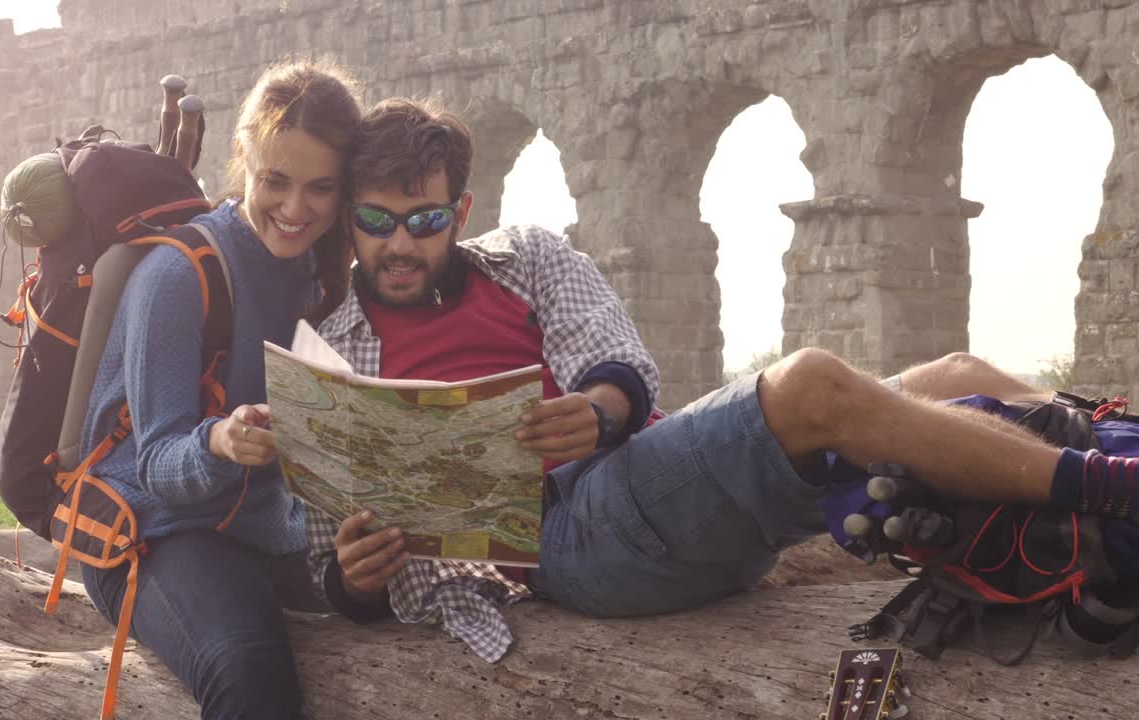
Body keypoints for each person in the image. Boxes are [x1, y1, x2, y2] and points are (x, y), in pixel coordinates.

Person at [304, 96, 1139, 662]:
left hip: (635, 470)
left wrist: (599, 410)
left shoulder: (525, 258)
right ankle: (1116, 489)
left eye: (424, 220)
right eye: (377, 221)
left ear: (461, 211)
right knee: (811, 383)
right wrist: (356, 580)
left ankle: (1113, 447)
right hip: (571, 542)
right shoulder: (335, 355)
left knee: (959, 373)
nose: (400, 244)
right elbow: (325, 558)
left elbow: (615, 355)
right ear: (352, 219)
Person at [77, 60, 361, 719]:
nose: (296, 210)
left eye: (320, 188)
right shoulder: (178, 273)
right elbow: (156, 464)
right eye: (275, 181)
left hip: (267, 525)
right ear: (243, 158)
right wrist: (221, 442)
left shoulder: (322, 272)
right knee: (249, 672)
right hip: (153, 529)